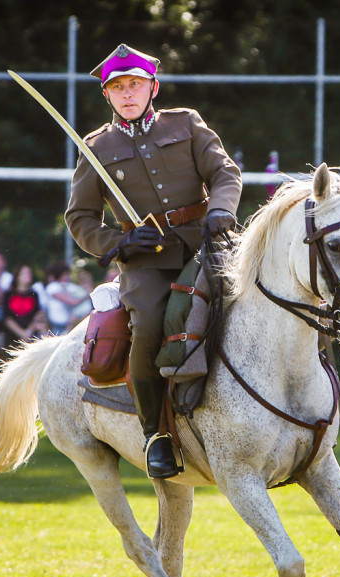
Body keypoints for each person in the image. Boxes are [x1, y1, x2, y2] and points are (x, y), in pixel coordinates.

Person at [64, 44, 242, 478]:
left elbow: (224, 174)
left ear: (153, 88)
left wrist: (221, 210)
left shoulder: (187, 122)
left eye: (136, 85)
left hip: (208, 242)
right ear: (107, 95)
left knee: (271, 298)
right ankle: (156, 433)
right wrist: (119, 243)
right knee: (146, 324)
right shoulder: (95, 148)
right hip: (146, 261)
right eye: (118, 87)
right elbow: (80, 217)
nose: (128, 94)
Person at [43, 261, 89, 335]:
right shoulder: (52, 287)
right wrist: (86, 296)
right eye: (64, 274)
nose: (67, 277)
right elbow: (71, 301)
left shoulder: (67, 286)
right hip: (57, 325)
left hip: (67, 324)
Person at [2, 264, 42, 346]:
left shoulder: (34, 295)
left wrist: (29, 331)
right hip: (11, 337)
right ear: (17, 276)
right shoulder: (9, 295)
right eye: (24, 273)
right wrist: (21, 333)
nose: (28, 276)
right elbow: (7, 318)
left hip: (30, 336)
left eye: (29, 273)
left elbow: (37, 314)